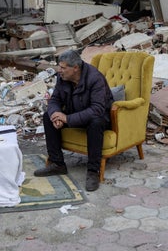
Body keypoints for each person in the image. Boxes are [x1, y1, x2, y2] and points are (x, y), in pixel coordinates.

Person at [34, 49, 113, 192]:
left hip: (99, 117)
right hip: (75, 112)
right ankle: (57, 163)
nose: (59, 71)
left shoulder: (95, 78)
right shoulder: (63, 78)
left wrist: (67, 118)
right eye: (60, 67)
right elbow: (55, 99)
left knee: (95, 122)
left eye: (63, 67)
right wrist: (56, 114)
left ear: (75, 68)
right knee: (47, 116)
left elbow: (97, 109)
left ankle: (93, 172)